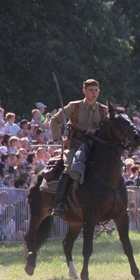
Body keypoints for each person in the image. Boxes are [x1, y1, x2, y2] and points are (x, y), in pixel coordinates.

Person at [48, 79, 108, 217]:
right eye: (91, 90)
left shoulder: (103, 110)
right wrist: (60, 139)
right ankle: (59, 203)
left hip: (94, 147)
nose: (94, 93)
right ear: (84, 91)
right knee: (70, 167)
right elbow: (54, 120)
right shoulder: (74, 106)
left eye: (96, 90)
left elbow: (107, 129)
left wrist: (96, 131)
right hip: (74, 144)